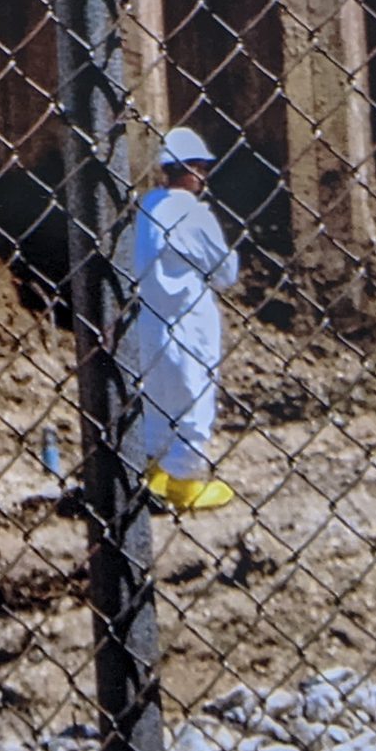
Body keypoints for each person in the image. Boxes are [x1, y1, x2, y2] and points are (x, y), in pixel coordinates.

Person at [132, 127, 240, 512]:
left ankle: (156, 474)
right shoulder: (195, 215)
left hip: (148, 322)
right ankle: (184, 483)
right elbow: (225, 272)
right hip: (188, 320)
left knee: (158, 397)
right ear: (192, 169)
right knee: (194, 399)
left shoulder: (146, 207)